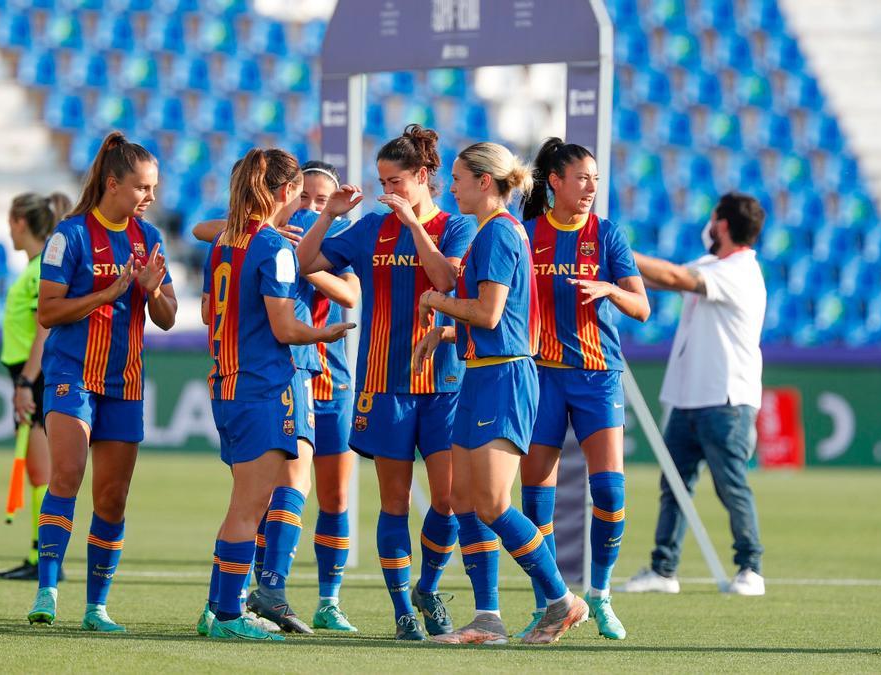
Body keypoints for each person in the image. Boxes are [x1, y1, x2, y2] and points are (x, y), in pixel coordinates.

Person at [296, 125, 475, 640]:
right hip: (383, 384)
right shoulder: (369, 228)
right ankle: (401, 611)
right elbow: (308, 262)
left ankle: (429, 587)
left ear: (422, 177)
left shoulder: (454, 227)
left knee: (447, 502)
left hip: (443, 383)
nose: (387, 190)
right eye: (381, 181)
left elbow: (444, 281)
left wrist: (413, 225)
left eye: (395, 181)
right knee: (393, 503)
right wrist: (330, 215)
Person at [415, 142, 587, 645]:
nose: (451, 186)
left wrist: (437, 301)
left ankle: (561, 600)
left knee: (491, 501)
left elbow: (489, 314)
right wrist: (446, 332)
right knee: (465, 499)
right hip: (482, 373)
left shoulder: (496, 235)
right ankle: (487, 619)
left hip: (505, 378)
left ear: (483, 181)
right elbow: (499, 319)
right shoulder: (494, 232)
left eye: (458, 177)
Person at [190, 159, 362, 633]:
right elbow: (286, 327)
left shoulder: (225, 243)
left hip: (227, 382)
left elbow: (209, 312)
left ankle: (218, 606)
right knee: (254, 505)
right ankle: (232, 611)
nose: (305, 204)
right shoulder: (273, 247)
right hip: (268, 384)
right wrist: (322, 333)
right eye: (301, 194)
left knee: (247, 501)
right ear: (288, 188)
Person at [27, 132, 177, 632]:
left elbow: (168, 317)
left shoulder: (150, 240)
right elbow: (47, 312)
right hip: (73, 374)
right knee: (66, 475)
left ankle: (96, 607)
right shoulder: (67, 237)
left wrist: (151, 293)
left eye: (153, 188)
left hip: (126, 382)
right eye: (142, 187)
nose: (150, 197)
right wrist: (108, 292)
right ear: (113, 184)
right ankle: (47, 590)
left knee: (112, 498)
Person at [515, 138, 650, 639]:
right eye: (582, 178)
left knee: (610, 492)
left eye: (595, 178)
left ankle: (601, 594)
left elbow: (642, 308)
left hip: (598, 377)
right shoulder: (527, 236)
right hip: (543, 375)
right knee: (536, 499)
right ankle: (550, 601)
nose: (591, 187)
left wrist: (612, 289)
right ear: (554, 181)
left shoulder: (608, 235)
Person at [622, 192, 768, 597]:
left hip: (725, 400)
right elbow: (659, 278)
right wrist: (615, 263)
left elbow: (672, 277)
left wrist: (616, 247)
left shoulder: (740, 271)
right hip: (690, 398)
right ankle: (663, 569)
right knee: (675, 485)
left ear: (721, 224)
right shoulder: (713, 265)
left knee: (731, 485)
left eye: (712, 218)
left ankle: (751, 568)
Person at [0, 192, 71, 581]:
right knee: (40, 472)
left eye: (10, 221)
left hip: (37, 376)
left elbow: (44, 329)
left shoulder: (42, 268)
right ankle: (40, 555)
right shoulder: (37, 267)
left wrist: (26, 381)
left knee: (42, 473)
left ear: (20, 222)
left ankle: (47, 559)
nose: (9, 229)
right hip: (31, 375)